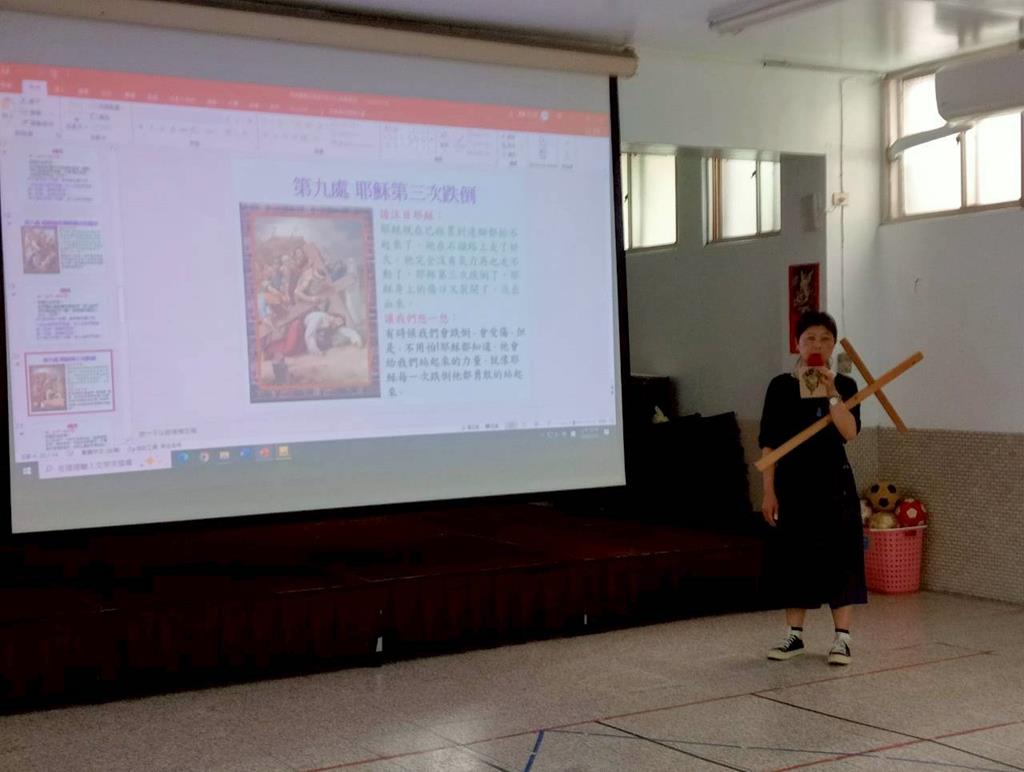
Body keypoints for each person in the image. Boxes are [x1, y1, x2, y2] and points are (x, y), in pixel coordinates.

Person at [759, 310, 864, 666]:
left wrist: (832, 392)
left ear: (833, 345)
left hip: (835, 482)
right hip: (792, 484)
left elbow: (849, 432)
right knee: (795, 556)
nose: (817, 345)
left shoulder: (846, 384)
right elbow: (769, 443)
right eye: (809, 339)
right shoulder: (780, 386)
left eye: (824, 339)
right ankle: (794, 635)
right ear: (797, 344)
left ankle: (842, 639)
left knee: (842, 556)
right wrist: (769, 491)